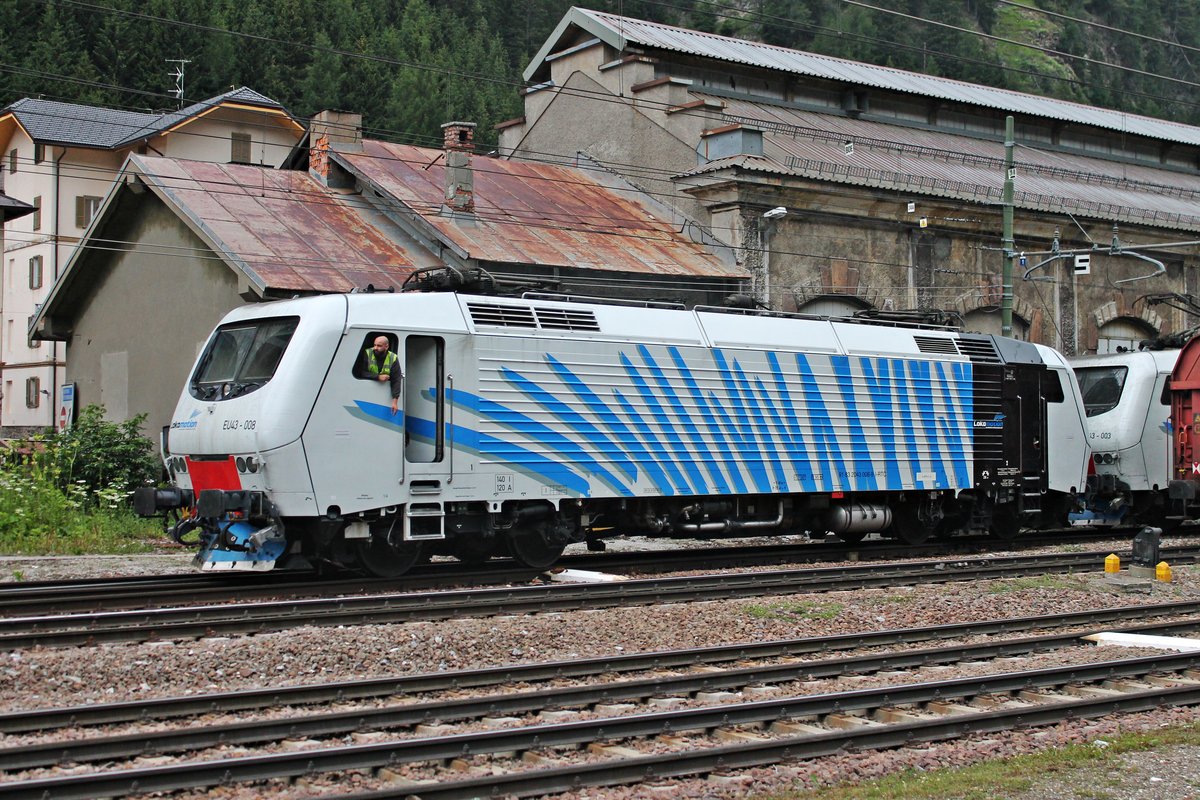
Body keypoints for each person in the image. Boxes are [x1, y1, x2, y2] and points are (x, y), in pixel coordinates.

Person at [361, 335, 401, 414]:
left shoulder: (393, 358)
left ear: (386, 347)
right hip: (366, 393)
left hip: (382, 396)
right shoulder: (368, 353)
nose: (375, 348)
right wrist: (378, 377)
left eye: (379, 346)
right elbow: (361, 372)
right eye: (375, 345)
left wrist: (395, 402)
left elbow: (396, 380)